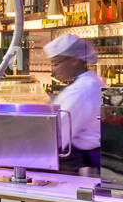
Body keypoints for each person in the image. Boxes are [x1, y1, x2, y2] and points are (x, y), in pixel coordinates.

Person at [44, 33, 103, 174]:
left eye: (56, 63)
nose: (54, 70)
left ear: (75, 60)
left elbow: (58, 134)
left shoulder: (83, 89)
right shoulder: (87, 82)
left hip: (82, 167)